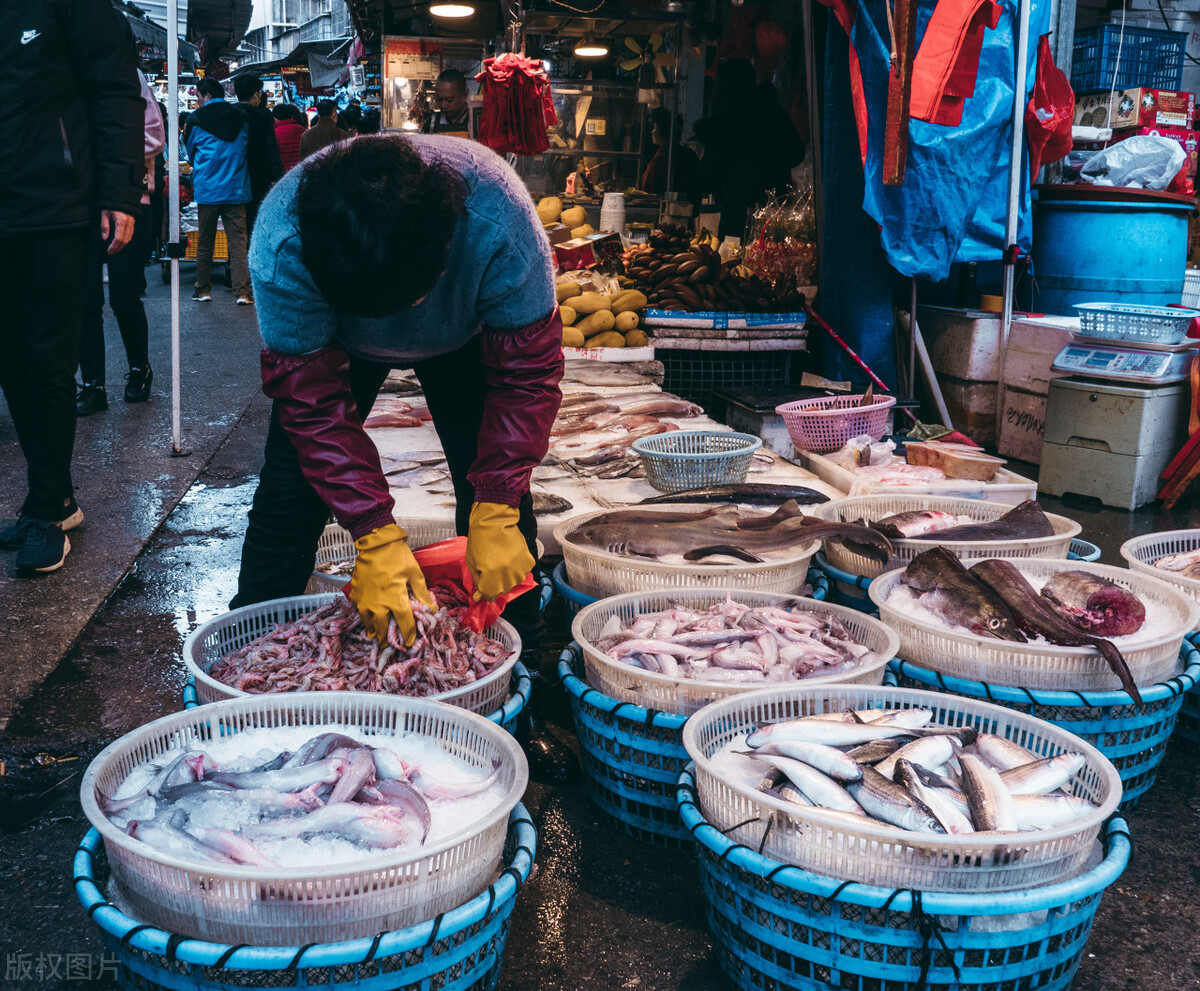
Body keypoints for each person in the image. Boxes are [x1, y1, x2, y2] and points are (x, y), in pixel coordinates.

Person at [232, 135, 573, 777]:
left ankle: (522, 699)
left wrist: (498, 504)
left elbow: (527, 373)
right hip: (334, 346)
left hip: (468, 340)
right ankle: (240, 684)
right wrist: (373, 532)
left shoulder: (498, 220)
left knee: (503, 513)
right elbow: (311, 402)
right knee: (287, 500)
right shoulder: (282, 244)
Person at [0, 0, 143, 574]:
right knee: (11, 359)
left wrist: (120, 193)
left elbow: (116, 93)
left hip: (55, 207)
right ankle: (51, 497)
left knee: (48, 359)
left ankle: (50, 506)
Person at [77, 72, 167, 416]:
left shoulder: (128, 73)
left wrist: (100, 155)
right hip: (81, 205)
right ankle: (93, 384)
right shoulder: (65, 70)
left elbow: (154, 136)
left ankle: (139, 368)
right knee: (86, 298)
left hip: (129, 201)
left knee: (124, 296)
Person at [694, 58, 804, 237]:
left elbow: (707, 179)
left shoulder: (724, 125)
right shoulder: (773, 114)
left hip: (737, 220)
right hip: (776, 216)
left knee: (737, 255)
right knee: (777, 253)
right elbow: (797, 153)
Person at [184, 77, 252, 305]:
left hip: (208, 190)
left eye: (198, 97)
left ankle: (203, 289)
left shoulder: (195, 120)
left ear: (208, 96)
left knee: (205, 242)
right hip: (236, 189)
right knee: (238, 243)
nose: (197, 102)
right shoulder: (242, 118)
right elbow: (245, 148)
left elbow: (191, 153)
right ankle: (242, 293)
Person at [233, 73, 284, 233]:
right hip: (259, 177)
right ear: (256, 95)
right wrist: (278, 177)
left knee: (236, 227)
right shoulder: (263, 117)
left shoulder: (229, 114)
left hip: (233, 178)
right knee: (255, 222)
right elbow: (271, 149)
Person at [640, 108, 701, 202]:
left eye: (655, 128)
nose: (652, 131)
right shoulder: (689, 154)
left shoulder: (662, 158)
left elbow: (649, 190)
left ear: (661, 130)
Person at [423, 69, 472, 138]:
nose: (443, 105)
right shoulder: (432, 123)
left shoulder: (475, 121)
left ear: (464, 95)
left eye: (449, 100)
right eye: (439, 99)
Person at [273, 104, 306, 172]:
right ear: (291, 116)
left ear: (275, 118)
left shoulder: (274, 133)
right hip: (301, 171)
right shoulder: (303, 131)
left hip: (283, 173)